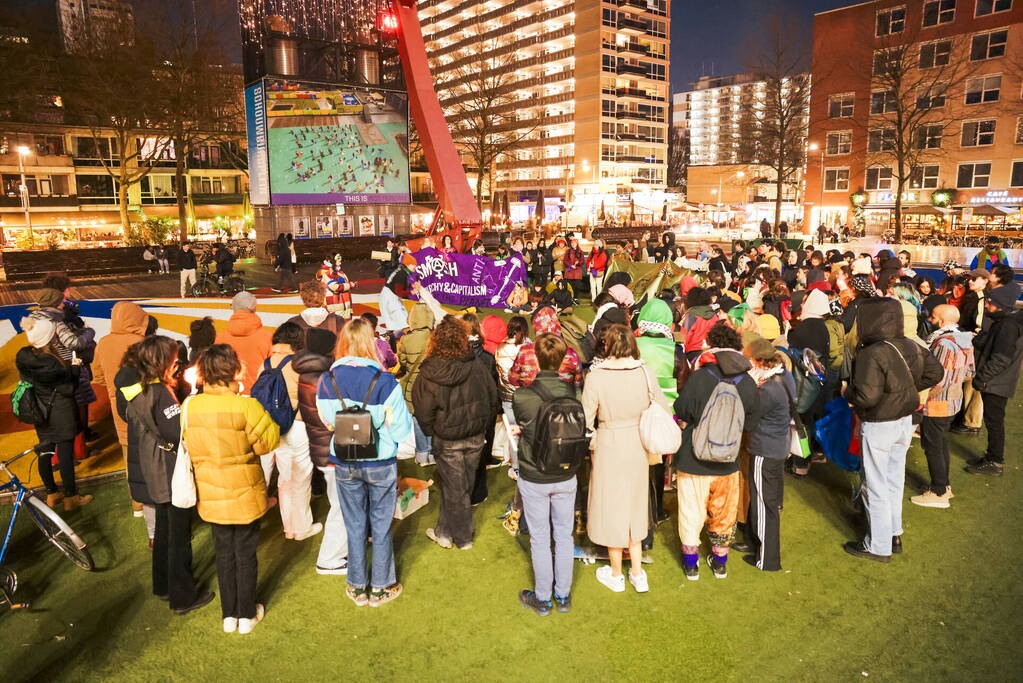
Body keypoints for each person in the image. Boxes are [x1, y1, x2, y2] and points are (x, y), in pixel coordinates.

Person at [182, 344, 279, 634]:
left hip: (211, 492)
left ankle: (229, 615)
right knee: (245, 553)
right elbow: (267, 443)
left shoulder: (191, 406)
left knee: (224, 553)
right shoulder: (245, 405)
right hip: (245, 491)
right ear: (232, 369)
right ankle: (247, 614)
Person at [316, 319, 412, 606]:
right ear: (371, 343)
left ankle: (357, 586)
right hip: (380, 462)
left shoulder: (327, 380)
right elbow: (402, 430)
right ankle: (381, 586)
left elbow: (327, 421)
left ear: (342, 343)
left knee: (353, 523)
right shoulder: (385, 382)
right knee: (381, 525)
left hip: (345, 460)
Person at [842, 298, 943, 562]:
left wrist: (846, 391)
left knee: (876, 483)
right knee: (894, 479)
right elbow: (935, 372)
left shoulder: (871, 352)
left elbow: (865, 396)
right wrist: (906, 390)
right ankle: (893, 533)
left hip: (880, 424)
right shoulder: (909, 343)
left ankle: (878, 545)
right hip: (904, 421)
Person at [121, 336, 213, 614]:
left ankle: (162, 584)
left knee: (163, 531)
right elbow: (176, 431)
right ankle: (183, 596)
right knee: (178, 536)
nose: (176, 365)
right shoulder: (160, 393)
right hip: (169, 471)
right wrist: (193, 404)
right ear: (162, 362)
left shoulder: (140, 389)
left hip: (154, 469)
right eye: (172, 360)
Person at [582, 324, 668, 592]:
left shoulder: (596, 377)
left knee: (611, 506)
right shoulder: (645, 372)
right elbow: (663, 408)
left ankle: (617, 573)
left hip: (609, 443)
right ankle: (638, 572)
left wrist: (594, 441)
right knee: (635, 503)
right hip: (638, 444)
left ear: (607, 345)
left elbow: (585, 420)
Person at [674, 323, 760, 580]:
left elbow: (683, 407)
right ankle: (719, 562)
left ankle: (691, 564)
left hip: (693, 456)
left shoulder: (701, 376)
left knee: (691, 511)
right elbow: (752, 421)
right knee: (724, 513)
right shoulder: (747, 381)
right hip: (729, 460)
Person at [412, 317, 499, 551]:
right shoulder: (474, 365)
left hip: (455, 438)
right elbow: (493, 398)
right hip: (467, 438)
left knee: (458, 489)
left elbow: (421, 409)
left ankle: (462, 538)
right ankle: (444, 532)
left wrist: (434, 430)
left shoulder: (468, 365)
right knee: (459, 488)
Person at [513, 334, 579, 615]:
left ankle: (543, 598)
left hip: (535, 473)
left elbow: (527, 425)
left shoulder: (522, 396)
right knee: (564, 535)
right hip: (565, 471)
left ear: (536, 357)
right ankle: (562, 595)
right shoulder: (572, 392)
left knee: (540, 537)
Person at [15, 316, 93, 510]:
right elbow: (68, 389)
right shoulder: (51, 363)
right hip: (61, 411)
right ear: (48, 338)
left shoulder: (26, 358)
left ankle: (52, 493)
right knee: (65, 453)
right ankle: (71, 497)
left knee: (45, 451)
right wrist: (75, 368)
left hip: (39, 411)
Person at [294, 327, 348, 575]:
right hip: (332, 449)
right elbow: (339, 418)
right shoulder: (326, 378)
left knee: (339, 502)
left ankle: (342, 549)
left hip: (321, 447)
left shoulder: (307, 373)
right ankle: (329, 559)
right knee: (341, 506)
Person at [261, 322, 321, 541]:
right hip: (297, 425)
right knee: (300, 478)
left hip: (271, 427)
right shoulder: (298, 364)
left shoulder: (266, 363)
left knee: (284, 480)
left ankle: (289, 527)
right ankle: (301, 527)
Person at [911, 305, 975, 508]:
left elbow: (937, 379)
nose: (930, 319)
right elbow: (969, 372)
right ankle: (943, 486)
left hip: (939, 403)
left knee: (933, 446)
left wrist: (922, 398)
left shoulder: (944, 344)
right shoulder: (964, 339)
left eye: (933, 316)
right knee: (938, 443)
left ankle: (938, 492)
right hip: (953, 400)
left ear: (941, 321)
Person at [92, 301, 149, 517]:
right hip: (143, 404)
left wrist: (112, 386)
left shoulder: (103, 343)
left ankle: (137, 505)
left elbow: (97, 375)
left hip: (119, 406)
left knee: (128, 454)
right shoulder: (141, 343)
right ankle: (152, 501)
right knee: (147, 453)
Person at [743, 338, 795, 571]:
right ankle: (756, 544)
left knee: (764, 503)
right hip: (778, 445)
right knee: (767, 500)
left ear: (759, 361)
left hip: (765, 449)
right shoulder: (784, 376)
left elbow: (750, 417)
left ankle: (767, 558)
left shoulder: (768, 389)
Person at [966, 283, 1023, 477]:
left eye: (990, 302)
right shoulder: (1005, 321)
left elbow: (1001, 358)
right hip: (998, 381)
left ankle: (995, 461)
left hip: (996, 383)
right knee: (994, 421)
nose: (987, 304)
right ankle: (992, 457)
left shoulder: (1007, 326)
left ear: (1000, 305)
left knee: (995, 422)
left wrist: (982, 378)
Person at [634, 298, 677, 527]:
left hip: (635, 413)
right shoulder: (675, 351)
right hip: (664, 416)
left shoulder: (633, 346)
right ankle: (657, 509)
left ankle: (639, 509)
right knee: (658, 465)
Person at [397, 300, 436, 465]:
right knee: (434, 418)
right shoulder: (435, 337)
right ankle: (434, 453)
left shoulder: (406, 339)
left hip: (413, 386)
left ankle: (422, 453)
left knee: (417, 419)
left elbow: (403, 362)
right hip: (432, 384)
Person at [509, 306, 583, 388]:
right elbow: (578, 383)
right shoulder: (571, 353)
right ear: (557, 325)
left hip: (532, 397)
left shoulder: (525, 351)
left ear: (536, 326)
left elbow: (513, 379)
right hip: (561, 398)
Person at [215, 291, 274, 394]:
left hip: (228, 396)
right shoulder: (268, 337)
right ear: (254, 308)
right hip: (260, 397)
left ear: (233, 308)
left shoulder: (219, 338)